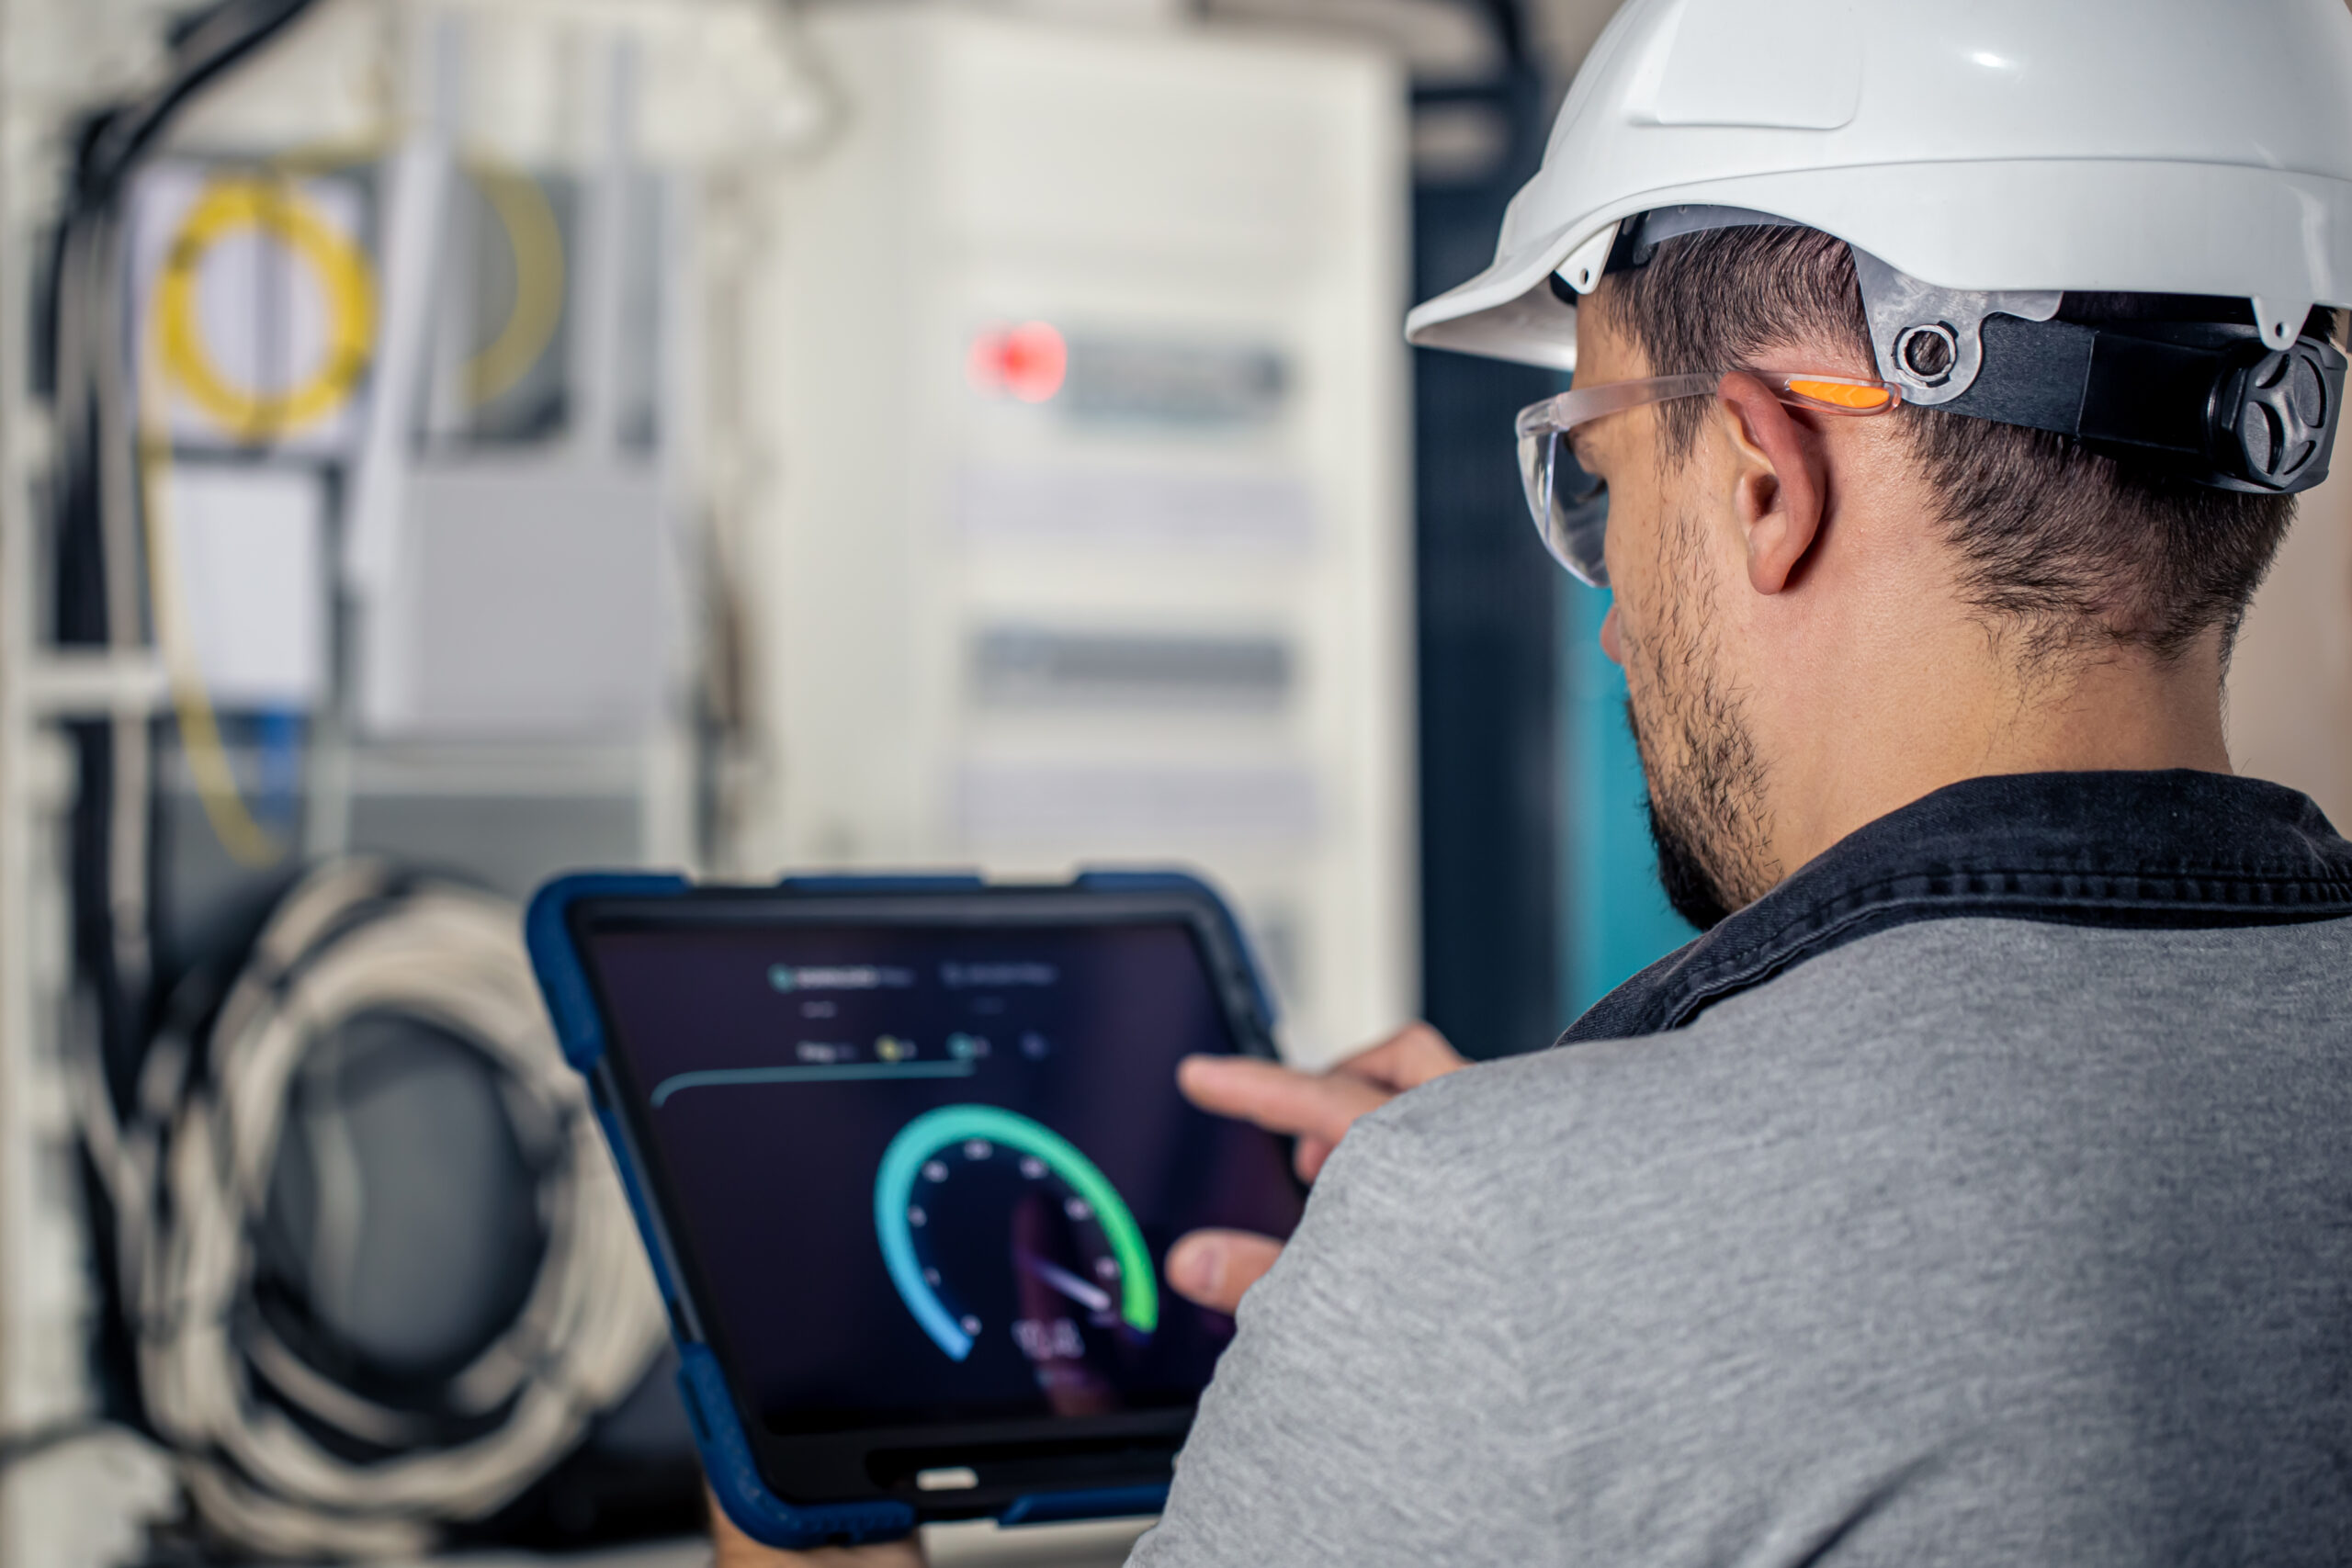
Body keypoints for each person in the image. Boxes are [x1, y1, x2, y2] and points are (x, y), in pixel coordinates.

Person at [724, 1, 2352, 1562]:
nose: (1613, 631)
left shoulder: (1505, 1245)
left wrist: (1521, 1242)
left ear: (1762, 475)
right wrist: (1563, 1207)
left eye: (1601, 479)